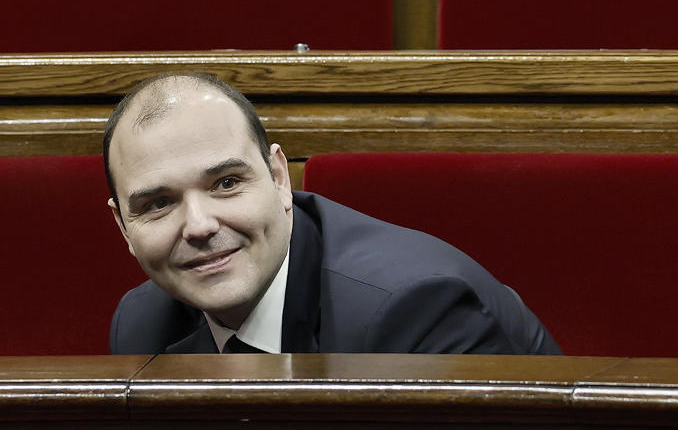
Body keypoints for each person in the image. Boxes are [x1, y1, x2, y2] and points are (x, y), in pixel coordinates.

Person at [105, 73, 560, 356]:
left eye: (226, 184)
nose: (200, 226)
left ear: (280, 178)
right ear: (123, 227)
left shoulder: (413, 312)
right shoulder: (142, 326)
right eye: (158, 204)